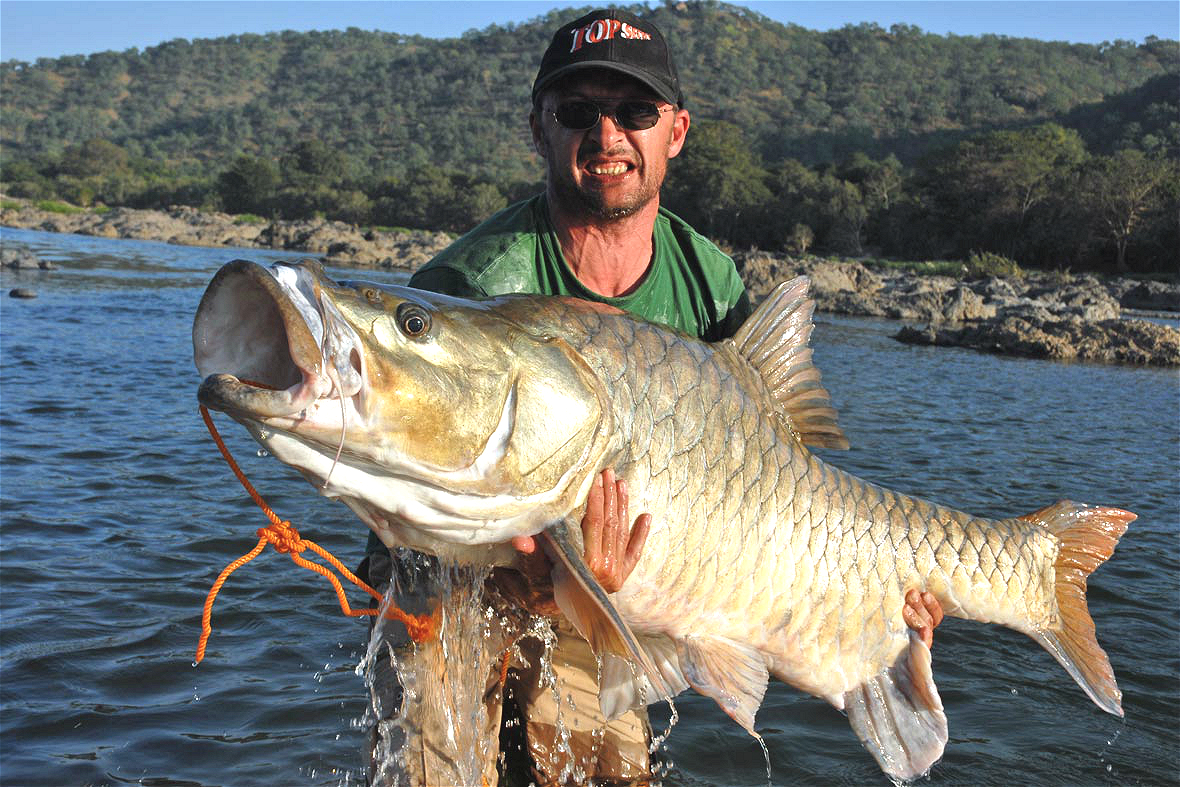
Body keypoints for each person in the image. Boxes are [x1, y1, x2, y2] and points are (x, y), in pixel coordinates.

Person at [358, 8, 945, 785]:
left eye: (635, 111)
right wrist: (527, 566)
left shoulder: (711, 288)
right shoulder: (464, 290)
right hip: (455, 584)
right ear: (539, 127)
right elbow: (398, 514)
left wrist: (876, 593)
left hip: (611, 598)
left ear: (676, 130)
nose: (607, 137)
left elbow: (778, 486)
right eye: (577, 112)